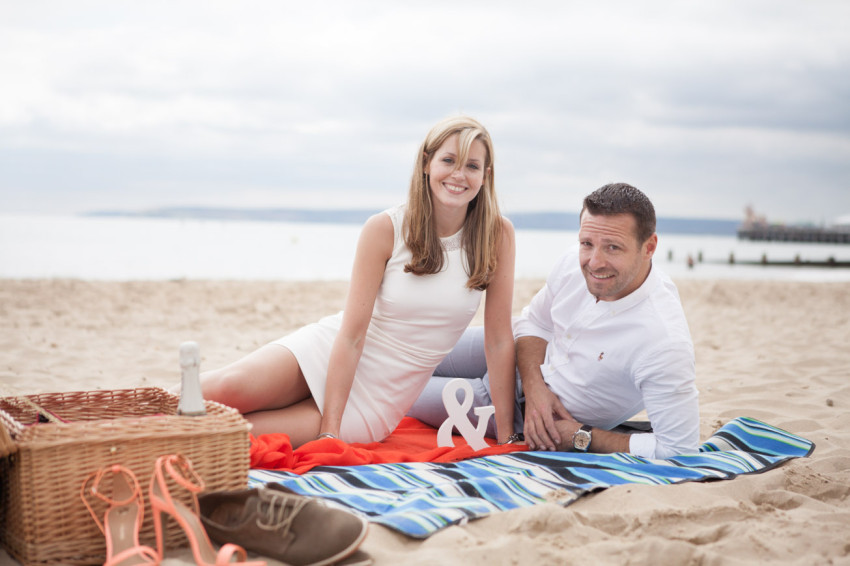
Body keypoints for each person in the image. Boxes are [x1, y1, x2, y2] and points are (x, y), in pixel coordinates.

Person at [193, 116, 517, 447]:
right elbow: (351, 336)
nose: (458, 175)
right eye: (448, 160)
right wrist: (329, 430)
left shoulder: (497, 235)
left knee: (234, 432)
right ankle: (138, 410)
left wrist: (507, 435)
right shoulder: (385, 228)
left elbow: (499, 341)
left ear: (485, 175)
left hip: (376, 398)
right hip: (331, 350)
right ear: (426, 163)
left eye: (472, 166)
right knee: (226, 388)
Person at [408, 183, 699, 459]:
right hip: (508, 350)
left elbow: (679, 449)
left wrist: (581, 436)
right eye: (587, 243)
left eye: (613, 248)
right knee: (401, 352)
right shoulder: (574, 262)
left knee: (395, 389)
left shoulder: (663, 342)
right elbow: (534, 322)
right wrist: (537, 389)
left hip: (510, 410)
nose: (594, 262)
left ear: (649, 247)